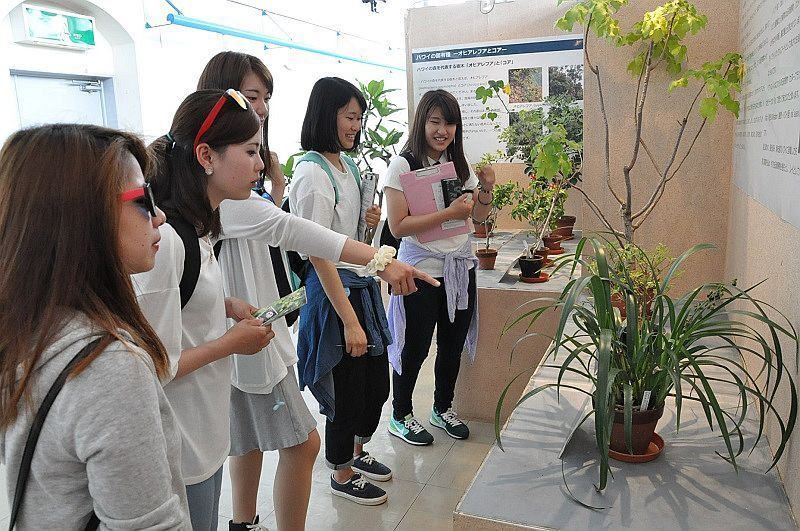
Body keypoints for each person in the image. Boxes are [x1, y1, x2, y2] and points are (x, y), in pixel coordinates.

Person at [198, 53, 436, 529]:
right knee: (306, 436)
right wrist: (382, 263)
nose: (261, 109)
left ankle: (244, 521)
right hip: (262, 328)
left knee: (243, 443)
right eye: (252, 97)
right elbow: (305, 237)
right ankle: (336, 473)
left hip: (251, 322)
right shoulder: (225, 193)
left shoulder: (237, 189)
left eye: (266, 99)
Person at [0, 123, 190, 528]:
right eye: (144, 198)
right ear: (84, 215)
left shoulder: (26, 328)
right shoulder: (108, 366)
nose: (158, 216)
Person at [132, 89, 274, 530]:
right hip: (181, 449)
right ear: (206, 155)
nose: (261, 164)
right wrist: (230, 344)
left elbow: (180, 309)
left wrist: (223, 306)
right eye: (250, 151)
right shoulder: (168, 241)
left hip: (205, 436)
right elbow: (152, 365)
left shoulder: (199, 229)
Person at [289, 77, 409, 506]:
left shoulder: (349, 166)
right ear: (327, 115)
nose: (356, 126)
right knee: (344, 389)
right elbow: (319, 253)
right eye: (350, 117)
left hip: (360, 285)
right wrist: (350, 321)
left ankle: (356, 455)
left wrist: (370, 221)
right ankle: (341, 471)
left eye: (360, 118)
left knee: (373, 386)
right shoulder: (310, 172)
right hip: (335, 293)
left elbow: (351, 239)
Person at [383, 89, 495, 446]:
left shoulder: (459, 165)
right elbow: (398, 226)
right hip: (420, 271)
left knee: (452, 344)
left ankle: (442, 408)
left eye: (449, 123)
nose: (442, 130)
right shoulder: (403, 165)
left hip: (460, 269)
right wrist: (448, 214)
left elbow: (477, 218)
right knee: (413, 346)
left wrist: (487, 189)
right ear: (422, 123)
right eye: (435, 121)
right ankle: (401, 415)